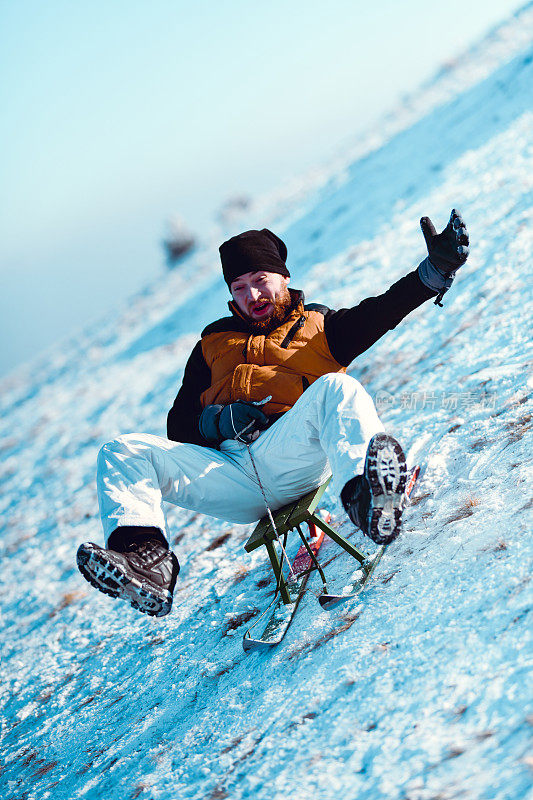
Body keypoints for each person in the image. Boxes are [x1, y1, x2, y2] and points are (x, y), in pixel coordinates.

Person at [77, 211, 469, 617]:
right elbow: (177, 425)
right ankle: (147, 564)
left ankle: (368, 499)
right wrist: (215, 422)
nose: (252, 294)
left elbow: (383, 310)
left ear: (283, 277)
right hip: (230, 473)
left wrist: (434, 271)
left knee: (338, 388)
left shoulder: (321, 326)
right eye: (239, 286)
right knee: (122, 450)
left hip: (292, 454)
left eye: (260, 280)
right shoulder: (211, 344)